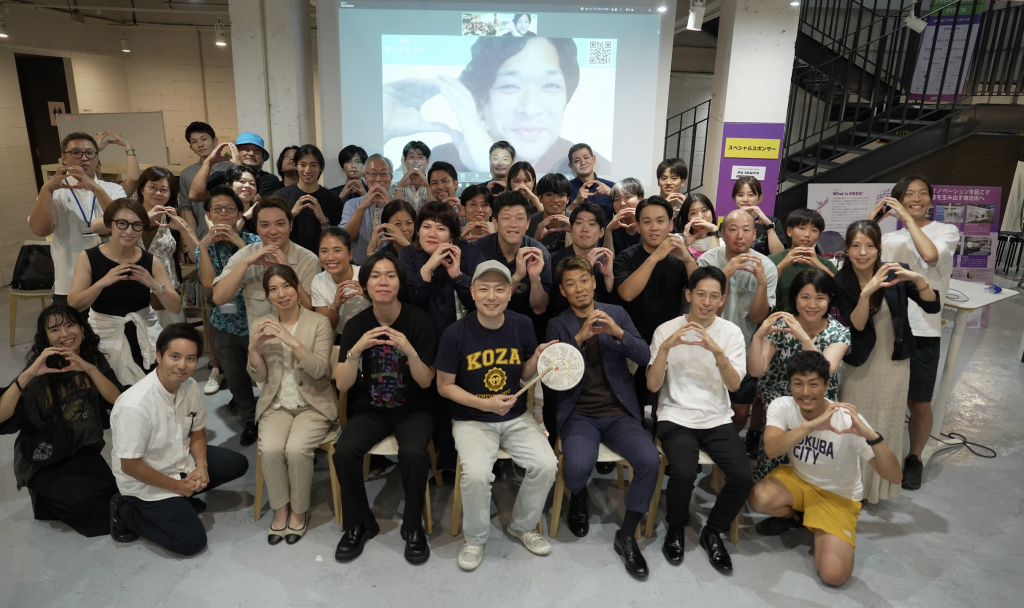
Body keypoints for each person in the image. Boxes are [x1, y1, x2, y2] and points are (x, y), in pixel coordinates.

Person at [435, 260, 558, 571]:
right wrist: (485, 405)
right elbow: (444, 387)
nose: (492, 296)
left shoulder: (522, 324)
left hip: (516, 417)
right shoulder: (455, 333)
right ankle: (475, 539)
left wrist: (538, 357)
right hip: (471, 419)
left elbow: (525, 374)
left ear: (510, 293)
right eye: (485, 289)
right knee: (476, 474)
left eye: (500, 289)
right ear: (473, 292)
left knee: (546, 464)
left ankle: (522, 526)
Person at [545, 256, 659, 577]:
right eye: (570, 284)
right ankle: (579, 496)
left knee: (649, 460)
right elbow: (552, 373)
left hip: (619, 412)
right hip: (579, 413)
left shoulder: (616, 313)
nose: (579, 288)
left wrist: (618, 332)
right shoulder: (557, 324)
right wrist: (579, 339)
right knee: (576, 469)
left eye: (584, 280)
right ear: (563, 291)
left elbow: (644, 355)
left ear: (594, 282)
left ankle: (627, 535)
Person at [748, 351, 903, 587]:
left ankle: (820, 524)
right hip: (799, 481)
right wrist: (811, 426)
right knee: (759, 498)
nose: (805, 392)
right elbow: (771, 449)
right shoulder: (783, 406)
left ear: (827, 385)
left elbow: (895, 476)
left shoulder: (847, 420)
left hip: (838, 495)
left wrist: (872, 436)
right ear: (790, 384)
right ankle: (795, 518)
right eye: (798, 384)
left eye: (813, 384)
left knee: (834, 576)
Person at [333, 253, 439, 564]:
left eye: (390, 275)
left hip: (415, 408)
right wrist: (355, 351)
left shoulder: (419, 322)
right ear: (365, 285)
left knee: (414, 453)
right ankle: (359, 523)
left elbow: (425, 381)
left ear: (399, 283)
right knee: (344, 450)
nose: (383, 282)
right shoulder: (357, 325)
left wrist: (408, 350)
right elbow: (342, 384)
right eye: (375, 276)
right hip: (371, 409)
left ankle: (413, 526)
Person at [647, 266, 753, 574]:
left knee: (743, 477)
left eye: (714, 296)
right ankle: (676, 526)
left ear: (722, 300)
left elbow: (734, 386)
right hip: (675, 415)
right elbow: (653, 385)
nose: (706, 302)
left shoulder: (731, 333)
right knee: (682, 471)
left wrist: (716, 351)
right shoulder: (666, 329)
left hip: (717, 418)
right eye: (701, 294)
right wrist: (666, 348)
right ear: (689, 295)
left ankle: (713, 531)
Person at [108, 324, 249, 556]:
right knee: (191, 542)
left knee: (236, 464)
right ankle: (124, 509)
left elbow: (197, 432)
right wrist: (177, 487)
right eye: (175, 356)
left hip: (180, 462)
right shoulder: (135, 406)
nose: (182, 365)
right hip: (145, 482)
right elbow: (130, 466)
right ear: (159, 355)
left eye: (190, 358)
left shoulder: (190, 386)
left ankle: (181, 498)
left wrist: (201, 467)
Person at [388, 37, 608, 175]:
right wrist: (385, 126)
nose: (530, 108)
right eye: (510, 86)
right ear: (479, 101)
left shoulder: (595, 166)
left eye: (550, 85)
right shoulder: (442, 160)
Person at [833, 220, 939, 503]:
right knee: (855, 424)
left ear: (878, 248)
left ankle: (877, 489)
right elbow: (856, 324)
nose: (862, 252)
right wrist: (866, 292)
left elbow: (932, 305)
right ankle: (851, 488)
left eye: (869, 245)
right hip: (860, 363)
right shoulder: (841, 281)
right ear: (847, 249)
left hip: (894, 362)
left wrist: (918, 279)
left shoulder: (895, 272)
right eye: (856, 246)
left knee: (887, 423)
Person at [0, 306, 123, 537]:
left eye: (70, 325)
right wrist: (28, 374)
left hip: (81, 448)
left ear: (82, 328)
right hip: (45, 455)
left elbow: (117, 400)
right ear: (46, 337)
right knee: (89, 509)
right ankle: (43, 497)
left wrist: (89, 368)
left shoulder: (92, 359)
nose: (65, 334)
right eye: (55, 329)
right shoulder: (41, 370)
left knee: (112, 496)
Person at [875, 176, 960, 490]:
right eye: (908, 194)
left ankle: (914, 457)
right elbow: (859, 255)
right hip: (888, 324)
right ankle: (879, 453)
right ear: (897, 200)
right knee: (884, 395)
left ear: (931, 200)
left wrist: (909, 220)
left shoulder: (946, 231)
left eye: (922, 193)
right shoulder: (889, 238)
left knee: (920, 402)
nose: (916, 198)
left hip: (924, 326)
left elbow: (930, 256)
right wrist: (875, 219)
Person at [246, 266, 337, 545]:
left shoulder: (319, 323)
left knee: (297, 450)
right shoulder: (260, 324)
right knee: (271, 449)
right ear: (267, 295)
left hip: (313, 404)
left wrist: (292, 341)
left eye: (286, 286)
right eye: (273, 289)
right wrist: (253, 348)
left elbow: (320, 371)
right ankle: (280, 509)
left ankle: (299, 511)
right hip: (277, 403)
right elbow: (260, 376)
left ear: (297, 287)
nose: (281, 294)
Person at [747, 270, 851, 481]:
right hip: (781, 406)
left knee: (812, 463)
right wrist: (758, 337)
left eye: (820, 298)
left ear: (830, 298)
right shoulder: (780, 325)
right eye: (805, 297)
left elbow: (825, 370)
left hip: (816, 406)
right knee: (775, 470)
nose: (812, 304)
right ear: (795, 297)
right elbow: (756, 370)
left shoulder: (839, 332)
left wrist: (803, 337)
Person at [68, 199, 181, 386]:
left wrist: (154, 284)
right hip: (105, 335)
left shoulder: (151, 261)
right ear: (109, 225)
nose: (129, 231)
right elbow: (74, 304)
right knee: (112, 389)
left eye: (137, 225)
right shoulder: (88, 257)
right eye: (122, 223)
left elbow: (175, 307)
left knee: (153, 389)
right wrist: (102, 283)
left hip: (145, 332)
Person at [697, 209, 778, 432]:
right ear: (722, 234)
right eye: (733, 229)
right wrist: (724, 275)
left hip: (744, 349)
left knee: (740, 412)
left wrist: (761, 283)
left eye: (746, 230)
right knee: (705, 405)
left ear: (755, 235)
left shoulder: (766, 266)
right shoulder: (707, 261)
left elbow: (758, 317)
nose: (740, 235)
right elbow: (707, 312)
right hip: (706, 346)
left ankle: (723, 448)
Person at [614, 196, 698, 407]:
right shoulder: (626, 257)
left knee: (667, 403)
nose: (654, 227)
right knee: (634, 402)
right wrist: (655, 257)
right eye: (647, 221)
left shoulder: (680, 258)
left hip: (671, 341)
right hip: (634, 342)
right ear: (638, 226)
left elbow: (700, 292)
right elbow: (627, 294)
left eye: (660, 221)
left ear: (670, 224)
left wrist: (688, 259)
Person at [195, 186, 262, 446]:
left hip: (256, 320)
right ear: (209, 214)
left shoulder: (254, 240)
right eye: (217, 209)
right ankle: (249, 420)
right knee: (235, 377)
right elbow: (209, 284)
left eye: (229, 208)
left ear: (239, 213)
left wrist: (239, 244)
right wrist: (203, 247)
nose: (223, 213)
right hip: (224, 323)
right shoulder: (205, 247)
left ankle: (271, 416)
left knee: (266, 374)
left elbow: (260, 274)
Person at [92, 167, 198, 329]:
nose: (158, 193)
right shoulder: (126, 213)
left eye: (164, 189)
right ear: (141, 189)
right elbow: (95, 227)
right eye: (152, 187)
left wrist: (182, 228)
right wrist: (143, 218)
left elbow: (197, 256)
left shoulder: (174, 219)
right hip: (128, 293)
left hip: (165, 295)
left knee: (171, 339)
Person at [29, 132, 126, 307]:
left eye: (89, 153)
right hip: (69, 282)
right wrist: (46, 190)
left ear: (97, 158)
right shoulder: (55, 191)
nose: (84, 158)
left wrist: (95, 188)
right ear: (64, 158)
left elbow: (122, 223)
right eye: (76, 153)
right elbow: (40, 230)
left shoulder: (113, 189)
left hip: (112, 279)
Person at [213, 197, 320, 331]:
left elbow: (309, 311)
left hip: (297, 338)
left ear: (291, 225)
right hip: (260, 340)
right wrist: (246, 263)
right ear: (256, 228)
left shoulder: (309, 260)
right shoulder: (245, 255)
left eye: (280, 224)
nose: (273, 231)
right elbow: (219, 298)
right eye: (265, 225)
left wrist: (289, 273)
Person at [470, 190, 551, 337]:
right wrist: (518, 276)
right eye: (506, 218)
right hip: (484, 328)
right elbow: (477, 303)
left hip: (527, 331)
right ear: (495, 223)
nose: (513, 224)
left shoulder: (539, 253)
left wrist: (535, 278)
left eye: (520, 219)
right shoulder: (478, 251)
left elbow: (540, 309)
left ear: (528, 223)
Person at [271, 144, 344, 255]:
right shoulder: (280, 197)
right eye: (303, 165)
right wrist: (291, 215)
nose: (308, 170)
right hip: (286, 258)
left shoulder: (333, 200)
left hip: (322, 260)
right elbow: (272, 232)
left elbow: (338, 240)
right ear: (296, 165)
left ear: (321, 167)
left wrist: (323, 220)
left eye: (313, 165)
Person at [548, 202, 614, 317]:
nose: (585, 229)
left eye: (592, 224)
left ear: (601, 232)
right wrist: (586, 267)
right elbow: (556, 304)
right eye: (579, 223)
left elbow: (613, 307)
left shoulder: (607, 261)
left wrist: (609, 277)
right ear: (571, 229)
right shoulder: (554, 260)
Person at [767, 208, 838, 313]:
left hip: (814, 318)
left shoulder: (824, 263)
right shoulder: (772, 260)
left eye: (814, 230)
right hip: (781, 319)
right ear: (789, 231)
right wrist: (782, 266)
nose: (807, 234)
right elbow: (762, 289)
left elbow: (841, 291)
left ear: (819, 236)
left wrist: (819, 266)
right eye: (802, 228)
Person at [187, 132, 284, 202]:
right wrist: (208, 162)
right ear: (235, 152)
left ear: (263, 157)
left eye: (257, 150)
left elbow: (248, 201)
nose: (251, 153)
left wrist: (239, 167)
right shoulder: (222, 176)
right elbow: (195, 196)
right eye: (245, 148)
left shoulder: (269, 180)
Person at [311, 227, 370, 337]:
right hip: (342, 337)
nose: (330, 257)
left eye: (337, 250)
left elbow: (387, 311)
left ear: (350, 254)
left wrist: (368, 295)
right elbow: (326, 329)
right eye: (324, 251)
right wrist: (335, 306)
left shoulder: (366, 275)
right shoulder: (318, 281)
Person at [341, 154, 394, 265]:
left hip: (392, 266)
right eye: (373, 174)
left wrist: (391, 207)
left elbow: (406, 238)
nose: (378, 179)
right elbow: (345, 238)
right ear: (365, 177)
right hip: (359, 266)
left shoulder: (399, 205)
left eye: (384, 174)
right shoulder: (352, 204)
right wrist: (362, 208)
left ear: (391, 177)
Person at [178, 121, 219, 241]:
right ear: (191, 147)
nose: (200, 144)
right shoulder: (187, 174)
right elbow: (187, 210)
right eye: (194, 141)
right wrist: (194, 241)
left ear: (215, 141)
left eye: (204, 139)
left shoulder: (230, 167)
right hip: (204, 238)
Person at [733, 176, 787, 255]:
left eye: (751, 195)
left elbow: (779, 255)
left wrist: (769, 226)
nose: (745, 199)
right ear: (734, 198)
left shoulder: (773, 222)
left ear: (759, 198)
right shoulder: (728, 223)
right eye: (740, 195)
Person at [568, 143, 615, 223]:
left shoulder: (611, 186)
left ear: (594, 159)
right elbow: (560, 220)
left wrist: (612, 194)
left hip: (606, 231)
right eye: (577, 160)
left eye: (586, 158)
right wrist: (576, 202)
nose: (583, 163)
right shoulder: (566, 188)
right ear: (571, 165)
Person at [529, 173, 573, 253]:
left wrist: (575, 232)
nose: (555, 200)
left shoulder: (576, 219)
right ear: (540, 198)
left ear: (567, 199)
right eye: (549, 195)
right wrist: (537, 239)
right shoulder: (530, 223)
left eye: (561, 195)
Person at [674, 193, 721, 259]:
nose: (700, 216)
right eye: (693, 213)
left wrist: (714, 230)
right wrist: (685, 244)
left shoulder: (723, 242)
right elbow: (676, 264)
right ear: (687, 219)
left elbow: (713, 264)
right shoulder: (678, 239)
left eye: (704, 210)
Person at [94, 129, 141, 196]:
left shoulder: (112, 190)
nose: (95, 170)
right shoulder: (78, 189)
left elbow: (133, 179)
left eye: (97, 167)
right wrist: (95, 149)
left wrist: (127, 145)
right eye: (91, 167)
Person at [603, 178, 643, 254]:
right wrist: (608, 230)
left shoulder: (650, 225)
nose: (622, 203)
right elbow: (607, 259)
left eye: (627, 197)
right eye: (616, 199)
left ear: (641, 199)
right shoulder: (608, 227)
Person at [391, 141, 431, 211]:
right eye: (411, 157)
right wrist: (400, 186)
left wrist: (428, 187)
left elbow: (435, 210)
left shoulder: (433, 186)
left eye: (420, 157)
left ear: (427, 161)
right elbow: (394, 212)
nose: (416, 161)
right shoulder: (394, 188)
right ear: (405, 161)